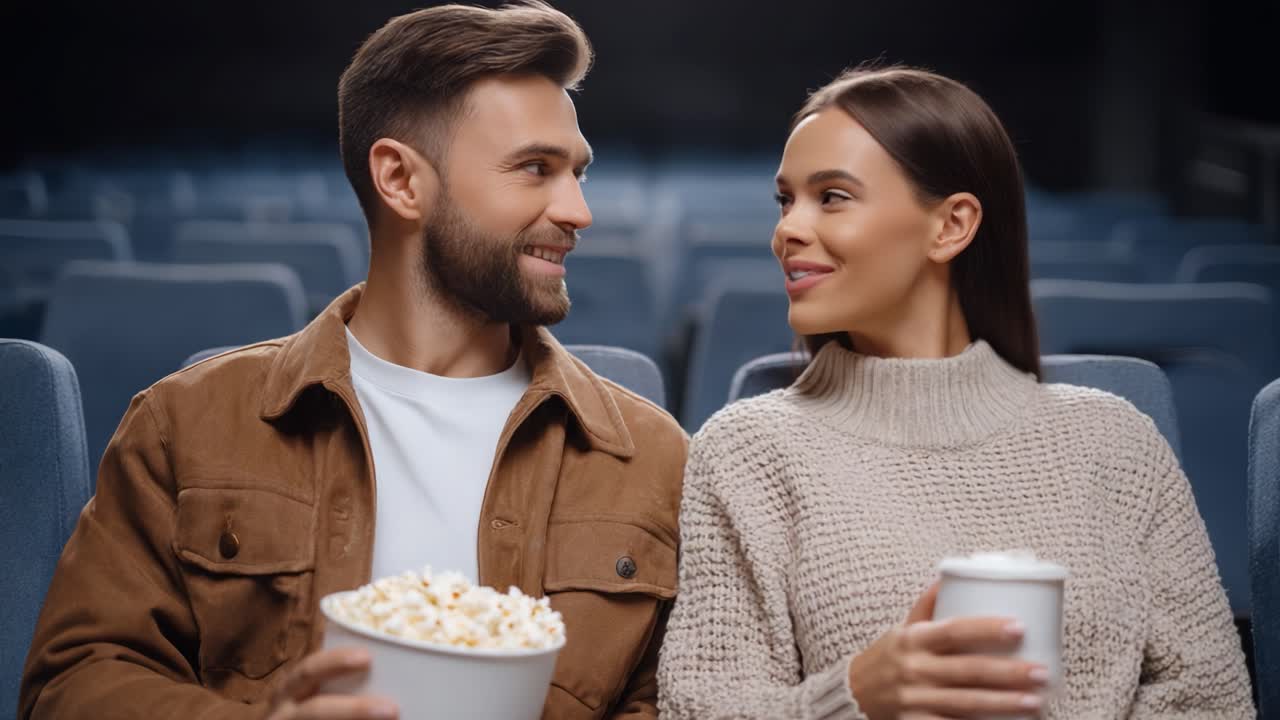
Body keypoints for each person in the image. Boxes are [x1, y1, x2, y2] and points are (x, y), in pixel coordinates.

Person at [20, 3, 686, 719]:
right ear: (400, 179)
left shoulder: (653, 461)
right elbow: (75, 682)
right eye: (535, 169)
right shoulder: (184, 426)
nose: (579, 210)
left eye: (578, 173)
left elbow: (673, 701)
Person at [656, 66, 1254, 719]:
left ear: (951, 226)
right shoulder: (746, 451)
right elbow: (701, 706)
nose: (787, 230)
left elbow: (1212, 700)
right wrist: (855, 696)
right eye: (785, 200)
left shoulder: (1117, 442)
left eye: (831, 197)